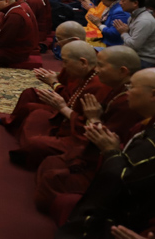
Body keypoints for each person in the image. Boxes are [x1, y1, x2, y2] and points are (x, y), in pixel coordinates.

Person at [7, 68, 155, 239]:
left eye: (133, 88)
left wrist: (110, 151)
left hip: (133, 214)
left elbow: (121, 181)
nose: (128, 93)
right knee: (63, 198)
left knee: (67, 196)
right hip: (127, 198)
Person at [34, 47, 142, 219]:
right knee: (49, 163)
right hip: (90, 145)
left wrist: (91, 119)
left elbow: (110, 142)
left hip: (101, 162)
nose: (96, 70)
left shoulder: (128, 102)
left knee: (51, 173)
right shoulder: (117, 88)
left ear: (123, 71)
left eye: (101, 65)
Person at [10, 41, 111, 170]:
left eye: (65, 62)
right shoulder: (86, 74)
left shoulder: (98, 85)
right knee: (36, 111)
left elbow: (87, 127)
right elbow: (72, 99)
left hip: (79, 139)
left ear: (83, 62)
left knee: (36, 144)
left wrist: (61, 103)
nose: (63, 66)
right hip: (66, 120)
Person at [110, 0, 155, 67]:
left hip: (145, 60)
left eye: (123, 0)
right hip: (134, 55)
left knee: (109, 65)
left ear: (135, 3)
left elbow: (133, 46)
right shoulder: (133, 16)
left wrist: (124, 33)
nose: (120, 3)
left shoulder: (144, 20)